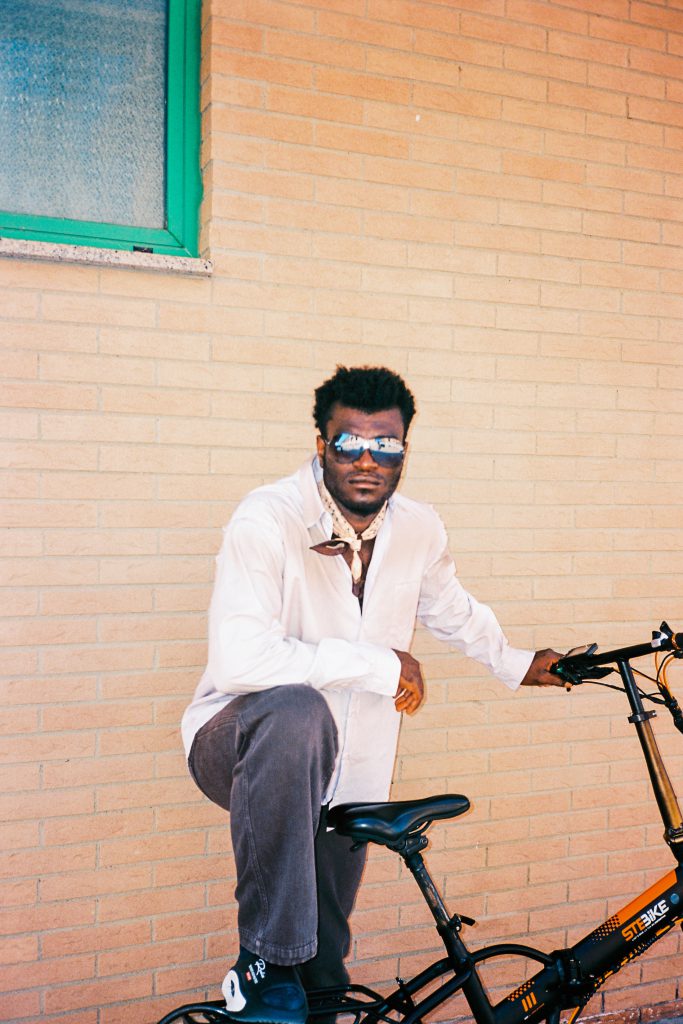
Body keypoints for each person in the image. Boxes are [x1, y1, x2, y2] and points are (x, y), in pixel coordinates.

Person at [181, 365, 568, 1024]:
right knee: (295, 708)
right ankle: (262, 962)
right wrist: (378, 665)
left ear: (403, 450)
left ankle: (300, 986)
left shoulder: (417, 528)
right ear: (321, 444)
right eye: (348, 443)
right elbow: (241, 659)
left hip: (348, 773)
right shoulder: (267, 518)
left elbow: (449, 608)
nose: (366, 460)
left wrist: (517, 663)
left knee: (324, 964)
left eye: (384, 445)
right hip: (244, 744)